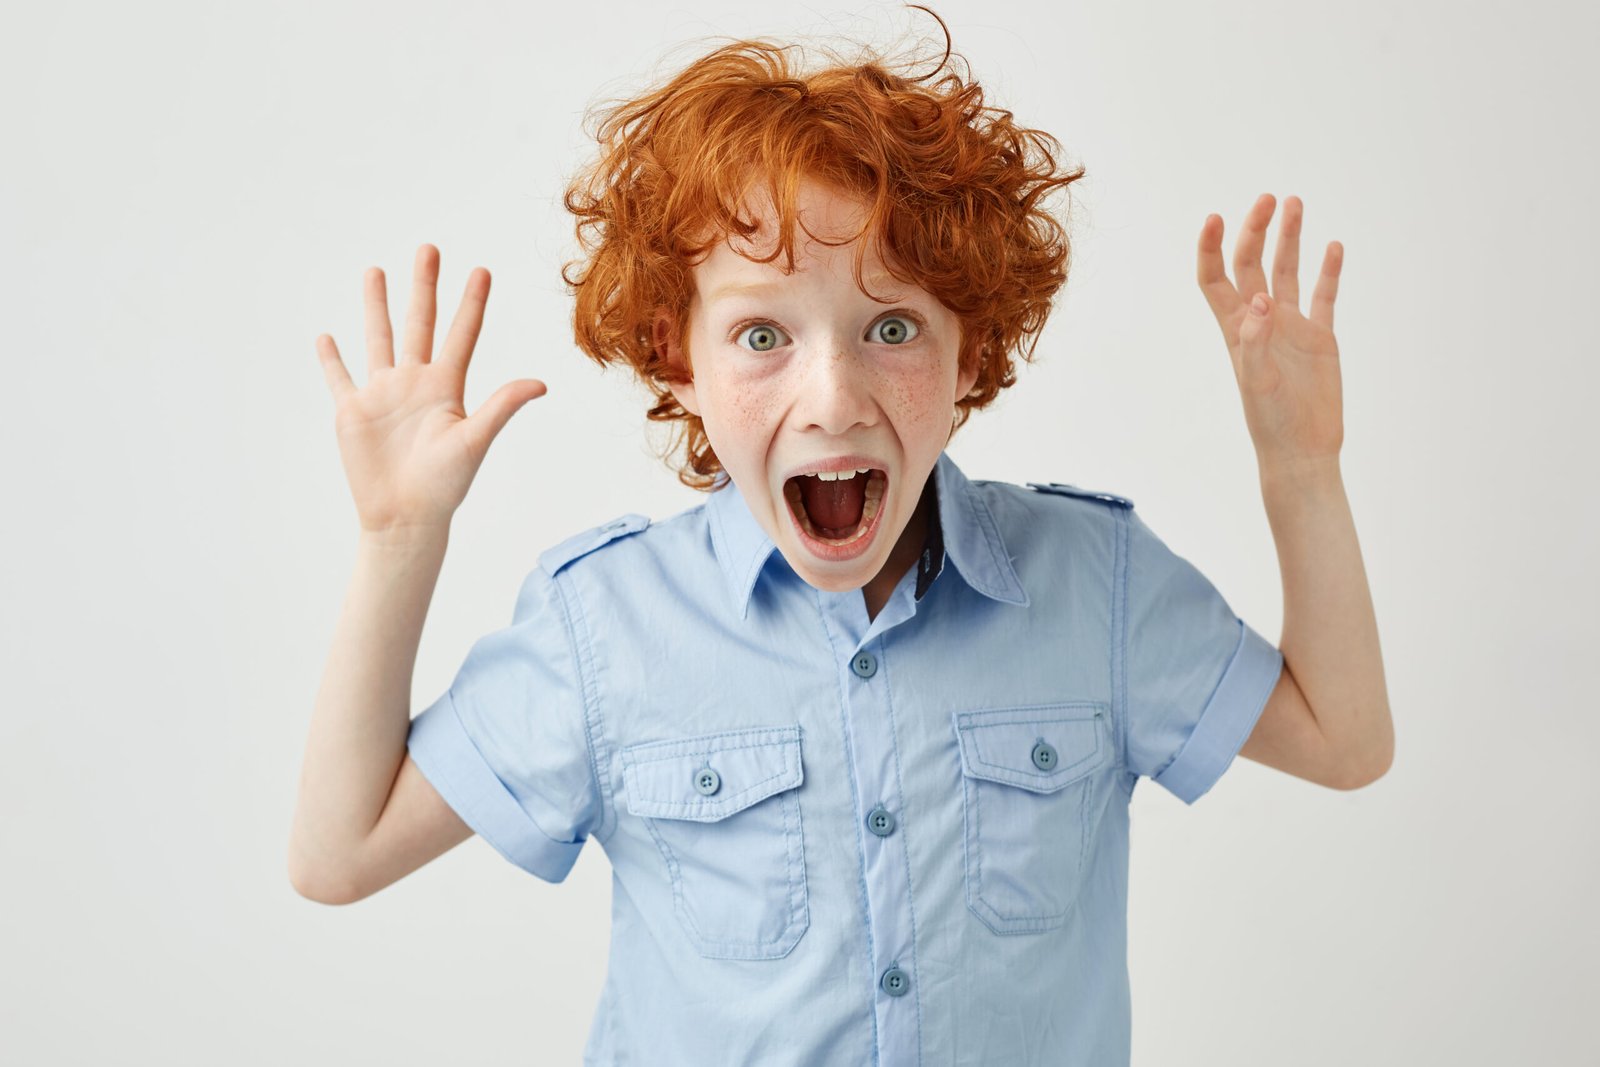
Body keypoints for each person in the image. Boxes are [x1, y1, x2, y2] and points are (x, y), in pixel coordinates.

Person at [290, 9, 1394, 1064]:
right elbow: (340, 852)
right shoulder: (607, 625)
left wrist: (1299, 468)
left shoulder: (1091, 584)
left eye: (893, 326)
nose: (832, 396)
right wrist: (398, 538)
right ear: (681, 356)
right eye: (762, 332)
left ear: (973, 353)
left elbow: (1343, 741)